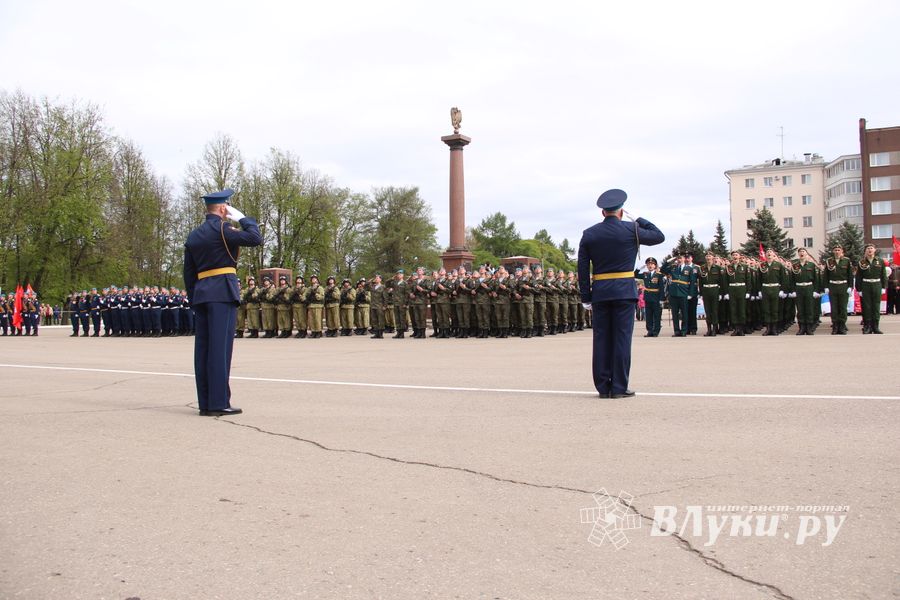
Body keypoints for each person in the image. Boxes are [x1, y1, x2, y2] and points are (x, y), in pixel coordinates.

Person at [578, 188, 664, 399]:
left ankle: (602, 387)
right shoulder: (631, 229)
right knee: (622, 339)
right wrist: (640, 219)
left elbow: (582, 268)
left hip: (600, 293)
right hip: (624, 292)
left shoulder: (589, 233)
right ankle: (618, 387)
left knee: (601, 339)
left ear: (602, 213)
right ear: (621, 212)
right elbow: (659, 236)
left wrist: (586, 297)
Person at [183, 188, 262, 417]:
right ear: (222, 208)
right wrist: (243, 218)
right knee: (219, 350)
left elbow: (188, 272)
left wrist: (194, 298)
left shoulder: (194, 235)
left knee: (204, 351)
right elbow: (255, 238)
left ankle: (205, 403)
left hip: (202, 294)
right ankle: (218, 403)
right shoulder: (223, 229)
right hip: (222, 293)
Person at [856, 243, 888, 334]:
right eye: (868, 248)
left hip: (877, 284)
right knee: (866, 307)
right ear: (865, 251)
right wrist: (859, 289)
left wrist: (883, 287)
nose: (870, 250)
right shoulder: (861, 262)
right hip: (866, 285)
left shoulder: (880, 261)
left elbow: (883, 275)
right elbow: (859, 276)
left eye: (871, 248)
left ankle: (876, 327)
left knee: (876, 306)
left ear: (874, 250)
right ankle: (867, 327)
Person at [639, 257, 665, 337]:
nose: (650, 266)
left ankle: (656, 331)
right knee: (649, 315)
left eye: (652, 264)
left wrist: (661, 299)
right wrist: (639, 268)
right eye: (648, 264)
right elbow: (634, 274)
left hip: (656, 297)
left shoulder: (659, 275)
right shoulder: (645, 274)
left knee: (657, 315)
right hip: (648, 297)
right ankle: (650, 331)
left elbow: (661, 287)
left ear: (655, 265)